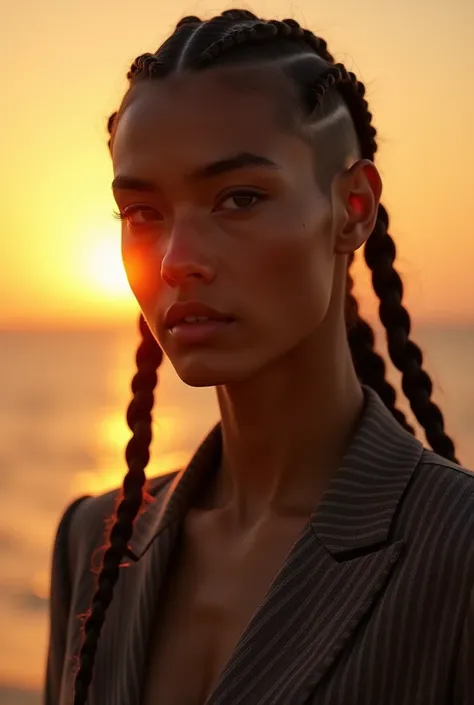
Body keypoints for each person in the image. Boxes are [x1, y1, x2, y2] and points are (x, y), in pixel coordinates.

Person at [44, 8, 474, 705]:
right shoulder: (92, 543)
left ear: (353, 207)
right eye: (143, 213)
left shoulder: (455, 554)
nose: (178, 261)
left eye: (238, 198)